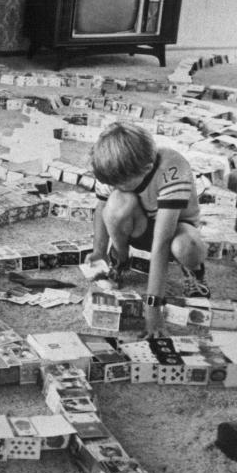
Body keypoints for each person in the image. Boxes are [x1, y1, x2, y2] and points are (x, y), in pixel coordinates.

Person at [86, 121, 209, 336]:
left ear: (147, 169)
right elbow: (102, 207)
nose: (116, 186)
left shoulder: (172, 168)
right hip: (139, 224)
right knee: (116, 202)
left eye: (123, 184)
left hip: (176, 229)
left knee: (186, 247)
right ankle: (121, 257)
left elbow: (162, 243)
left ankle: (193, 271)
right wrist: (99, 250)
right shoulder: (113, 168)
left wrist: (153, 308)